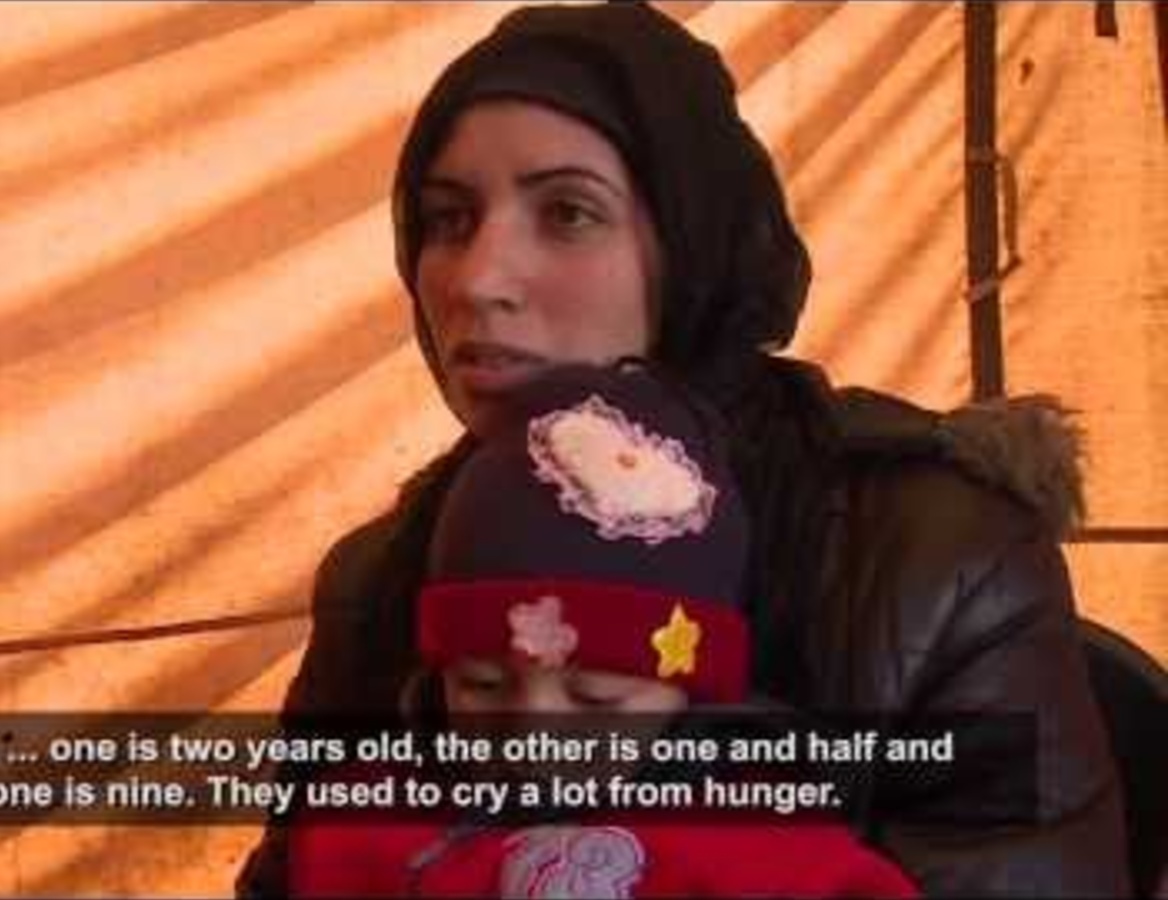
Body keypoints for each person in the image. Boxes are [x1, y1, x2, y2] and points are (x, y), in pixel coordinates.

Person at [238, 3, 1128, 896]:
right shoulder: (384, 577)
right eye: (448, 219)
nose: (477, 279)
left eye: (567, 212)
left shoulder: (941, 562)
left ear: (690, 240)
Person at [287, 363, 919, 897]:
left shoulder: (767, 847)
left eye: (595, 697)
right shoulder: (361, 823)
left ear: (691, 695)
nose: (530, 734)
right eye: (481, 684)